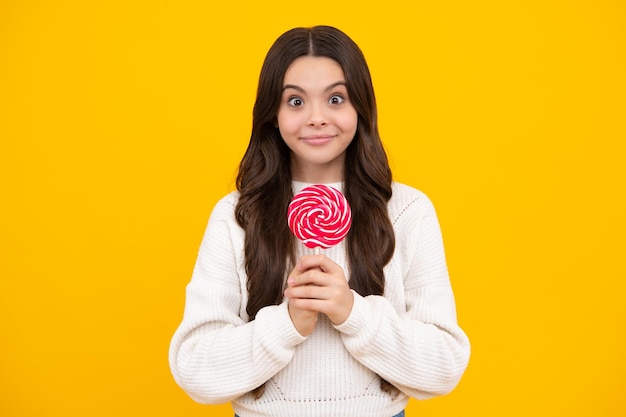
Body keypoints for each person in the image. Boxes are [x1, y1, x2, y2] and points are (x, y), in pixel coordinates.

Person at [169, 25, 470, 417]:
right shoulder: (238, 215)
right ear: (272, 115)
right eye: (295, 102)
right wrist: (287, 323)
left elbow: (444, 365)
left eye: (335, 98)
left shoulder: (408, 211)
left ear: (360, 107)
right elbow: (194, 367)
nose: (316, 118)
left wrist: (352, 312)